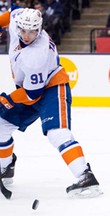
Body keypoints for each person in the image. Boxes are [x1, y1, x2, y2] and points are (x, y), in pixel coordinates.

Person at [0, 7, 102, 198]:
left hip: (51, 88)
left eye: (32, 31)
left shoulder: (36, 55)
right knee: (1, 125)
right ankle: (5, 168)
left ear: (39, 30)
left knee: (57, 133)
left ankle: (85, 176)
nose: (27, 35)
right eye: (24, 31)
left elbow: (32, 95)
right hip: (28, 88)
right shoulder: (18, 21)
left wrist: (7, 99)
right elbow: (14, 11)